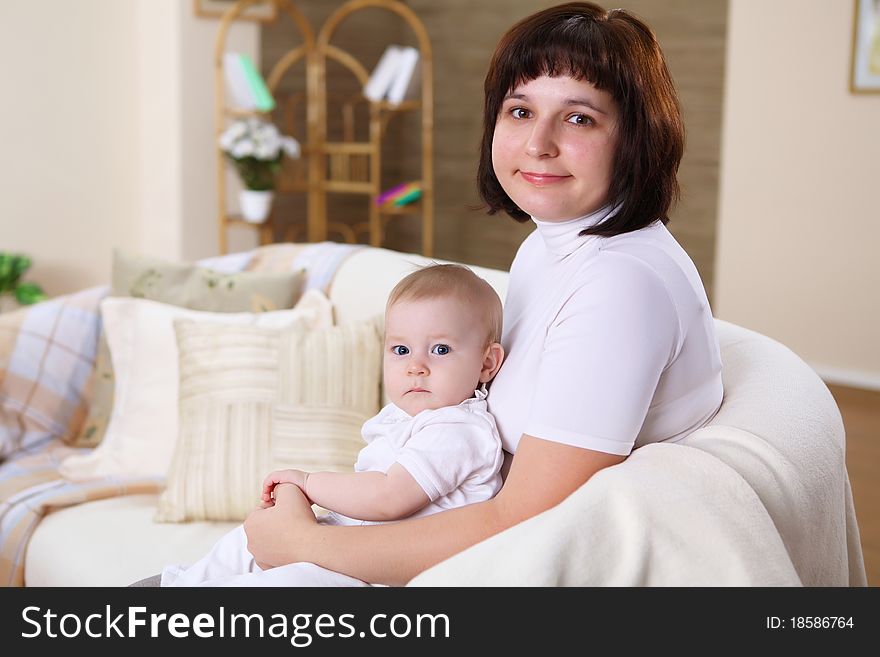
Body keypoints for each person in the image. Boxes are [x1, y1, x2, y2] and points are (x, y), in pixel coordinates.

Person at [242, 2, 724, 586]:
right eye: (520, 110)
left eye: (578, 119)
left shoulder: (622, 287)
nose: (538, 144)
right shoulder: (548, 249)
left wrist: (304, 544)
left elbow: (523, 520)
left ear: (636, 137)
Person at [160, 263, 506, 586]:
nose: (416, 366)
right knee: (241, 542)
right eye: (401, 350)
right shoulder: (407, 417)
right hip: (346, 544)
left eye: (440, 349)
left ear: (487, 363)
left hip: (376, 571)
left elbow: (388, 496)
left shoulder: (460, 430)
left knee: (288, 581)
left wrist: (308, 483)